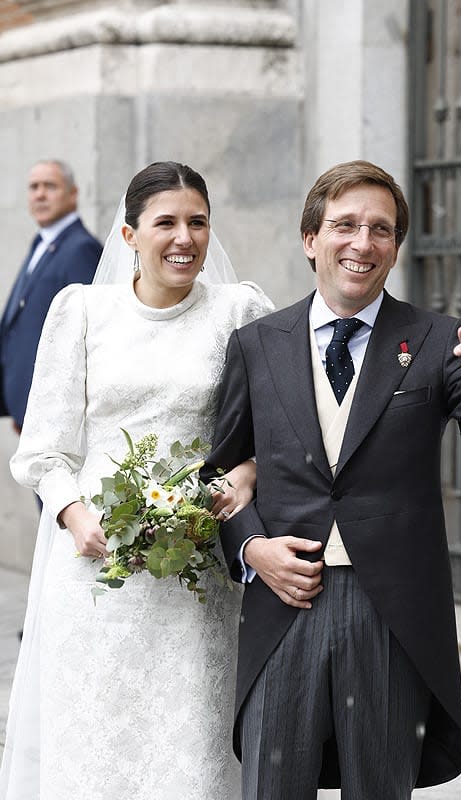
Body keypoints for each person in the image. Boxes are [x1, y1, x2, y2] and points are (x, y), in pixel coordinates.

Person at [204, 160, 461, 799]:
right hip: (284, 602)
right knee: (271, 786)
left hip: (392, 613)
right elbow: (220, 470)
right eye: (345, 226)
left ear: (395, 247)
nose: (363, 243)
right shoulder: (256, 344)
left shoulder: (438, 339)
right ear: (311, 239)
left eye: (380, 230)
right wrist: (251, 548)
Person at [0, 161, 273, 800]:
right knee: (98, 727)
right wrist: (73, 514)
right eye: (166, 223)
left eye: (198, 222)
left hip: (197, 566)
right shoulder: (83, 311)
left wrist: (248, 472)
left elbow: (277, 425)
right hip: (95, 567)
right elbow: (43, 447)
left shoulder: (238, 311)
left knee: (189, 733)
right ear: (129, 235)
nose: (185, 237)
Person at [0, 159, 102, 433]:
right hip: (29, 407)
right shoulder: (43, 242)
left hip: (53, 414)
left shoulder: (81, 249)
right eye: (34, 187)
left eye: (50, 186)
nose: (40, 194)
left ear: (73, 193)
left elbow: (85, 336)